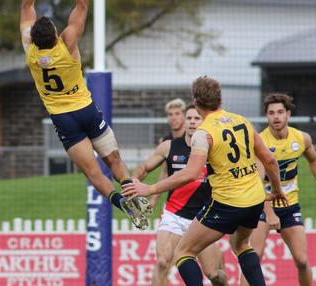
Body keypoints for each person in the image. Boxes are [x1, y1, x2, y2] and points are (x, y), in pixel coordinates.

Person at [20, 0, 150, 229]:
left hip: (64, 120)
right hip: (86, 110)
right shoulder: (66, 45)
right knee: (114, 160)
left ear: (33, 37)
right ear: (55, 34)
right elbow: (82, 5)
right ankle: (133, 193)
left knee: (93, 174)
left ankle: (121, 204)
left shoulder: (30, 52)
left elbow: (26, 4)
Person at [123, 76, 288, 286]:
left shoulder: (204, 133)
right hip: (254, 199)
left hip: (228, 202)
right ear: (220, 100)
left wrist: (150, 189)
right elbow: (270, 160)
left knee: (183, 252)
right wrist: (277, 190)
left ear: (196, 102)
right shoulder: (242, 121)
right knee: (241, 244)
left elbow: (190, 173)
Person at [241, 93, 316, 286]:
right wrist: (270, 213)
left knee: (302, 260)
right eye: (271, 113)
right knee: (254, 259)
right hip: (262, 208)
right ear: (266, 116)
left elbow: (314, 160)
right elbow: (256, 183)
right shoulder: (260, 142)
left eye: (280, 112)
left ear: (288, 114)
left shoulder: (301, 139)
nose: (276, 117)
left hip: (290, 206)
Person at [133, 104, 227, 286]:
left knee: (213, 274)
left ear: (204, 121)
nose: (192, 122)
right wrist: (132, 181)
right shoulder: (169, 146)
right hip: (173, 215)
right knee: (162, 263)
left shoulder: (215, 149)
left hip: (202, 218)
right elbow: (144, 167)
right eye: (189, 118)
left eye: (197, 118)